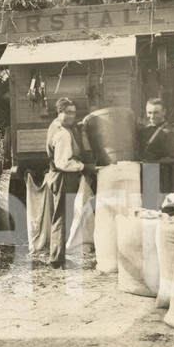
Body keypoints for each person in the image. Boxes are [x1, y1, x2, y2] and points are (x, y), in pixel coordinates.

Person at [46, 97, 95, 268]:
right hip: (63, 176)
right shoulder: (63, 134)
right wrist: (84, 166)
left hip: (57, 176)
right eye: (67, 112)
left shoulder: (55, 125)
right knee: (61, 216)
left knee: (61, 215)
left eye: (73, 112)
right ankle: (57, 259)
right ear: (59, 112)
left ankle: (58, 256)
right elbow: (63, 163)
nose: (71, 116)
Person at [136, 98, 174, 195]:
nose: (152, 116)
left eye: (156, 113)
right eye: (149, 113)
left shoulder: (168, 133)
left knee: (154, 205)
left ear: (164, 112)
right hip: (143, 173)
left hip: (160, 176)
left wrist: (152, 162)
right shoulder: (144, 130)